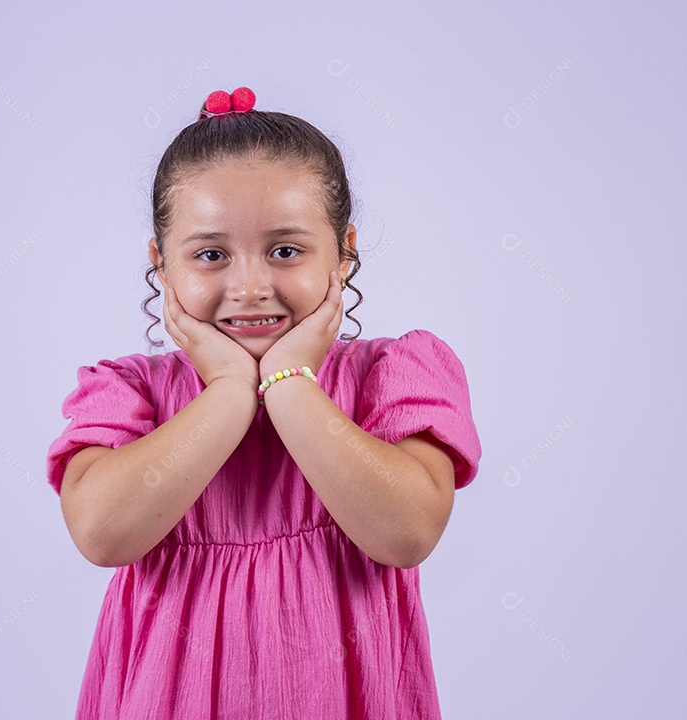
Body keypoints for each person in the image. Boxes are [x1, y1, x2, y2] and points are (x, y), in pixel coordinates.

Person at [45, 85, 482, 719]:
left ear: (345, 251)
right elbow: (103, 534)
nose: (250, 286)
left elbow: (406, 532)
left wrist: (290, 381)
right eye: (211, 255)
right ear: (161, 264)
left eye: (285, 250)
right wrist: (226, 391)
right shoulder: (130, 390)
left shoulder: (393, 375)